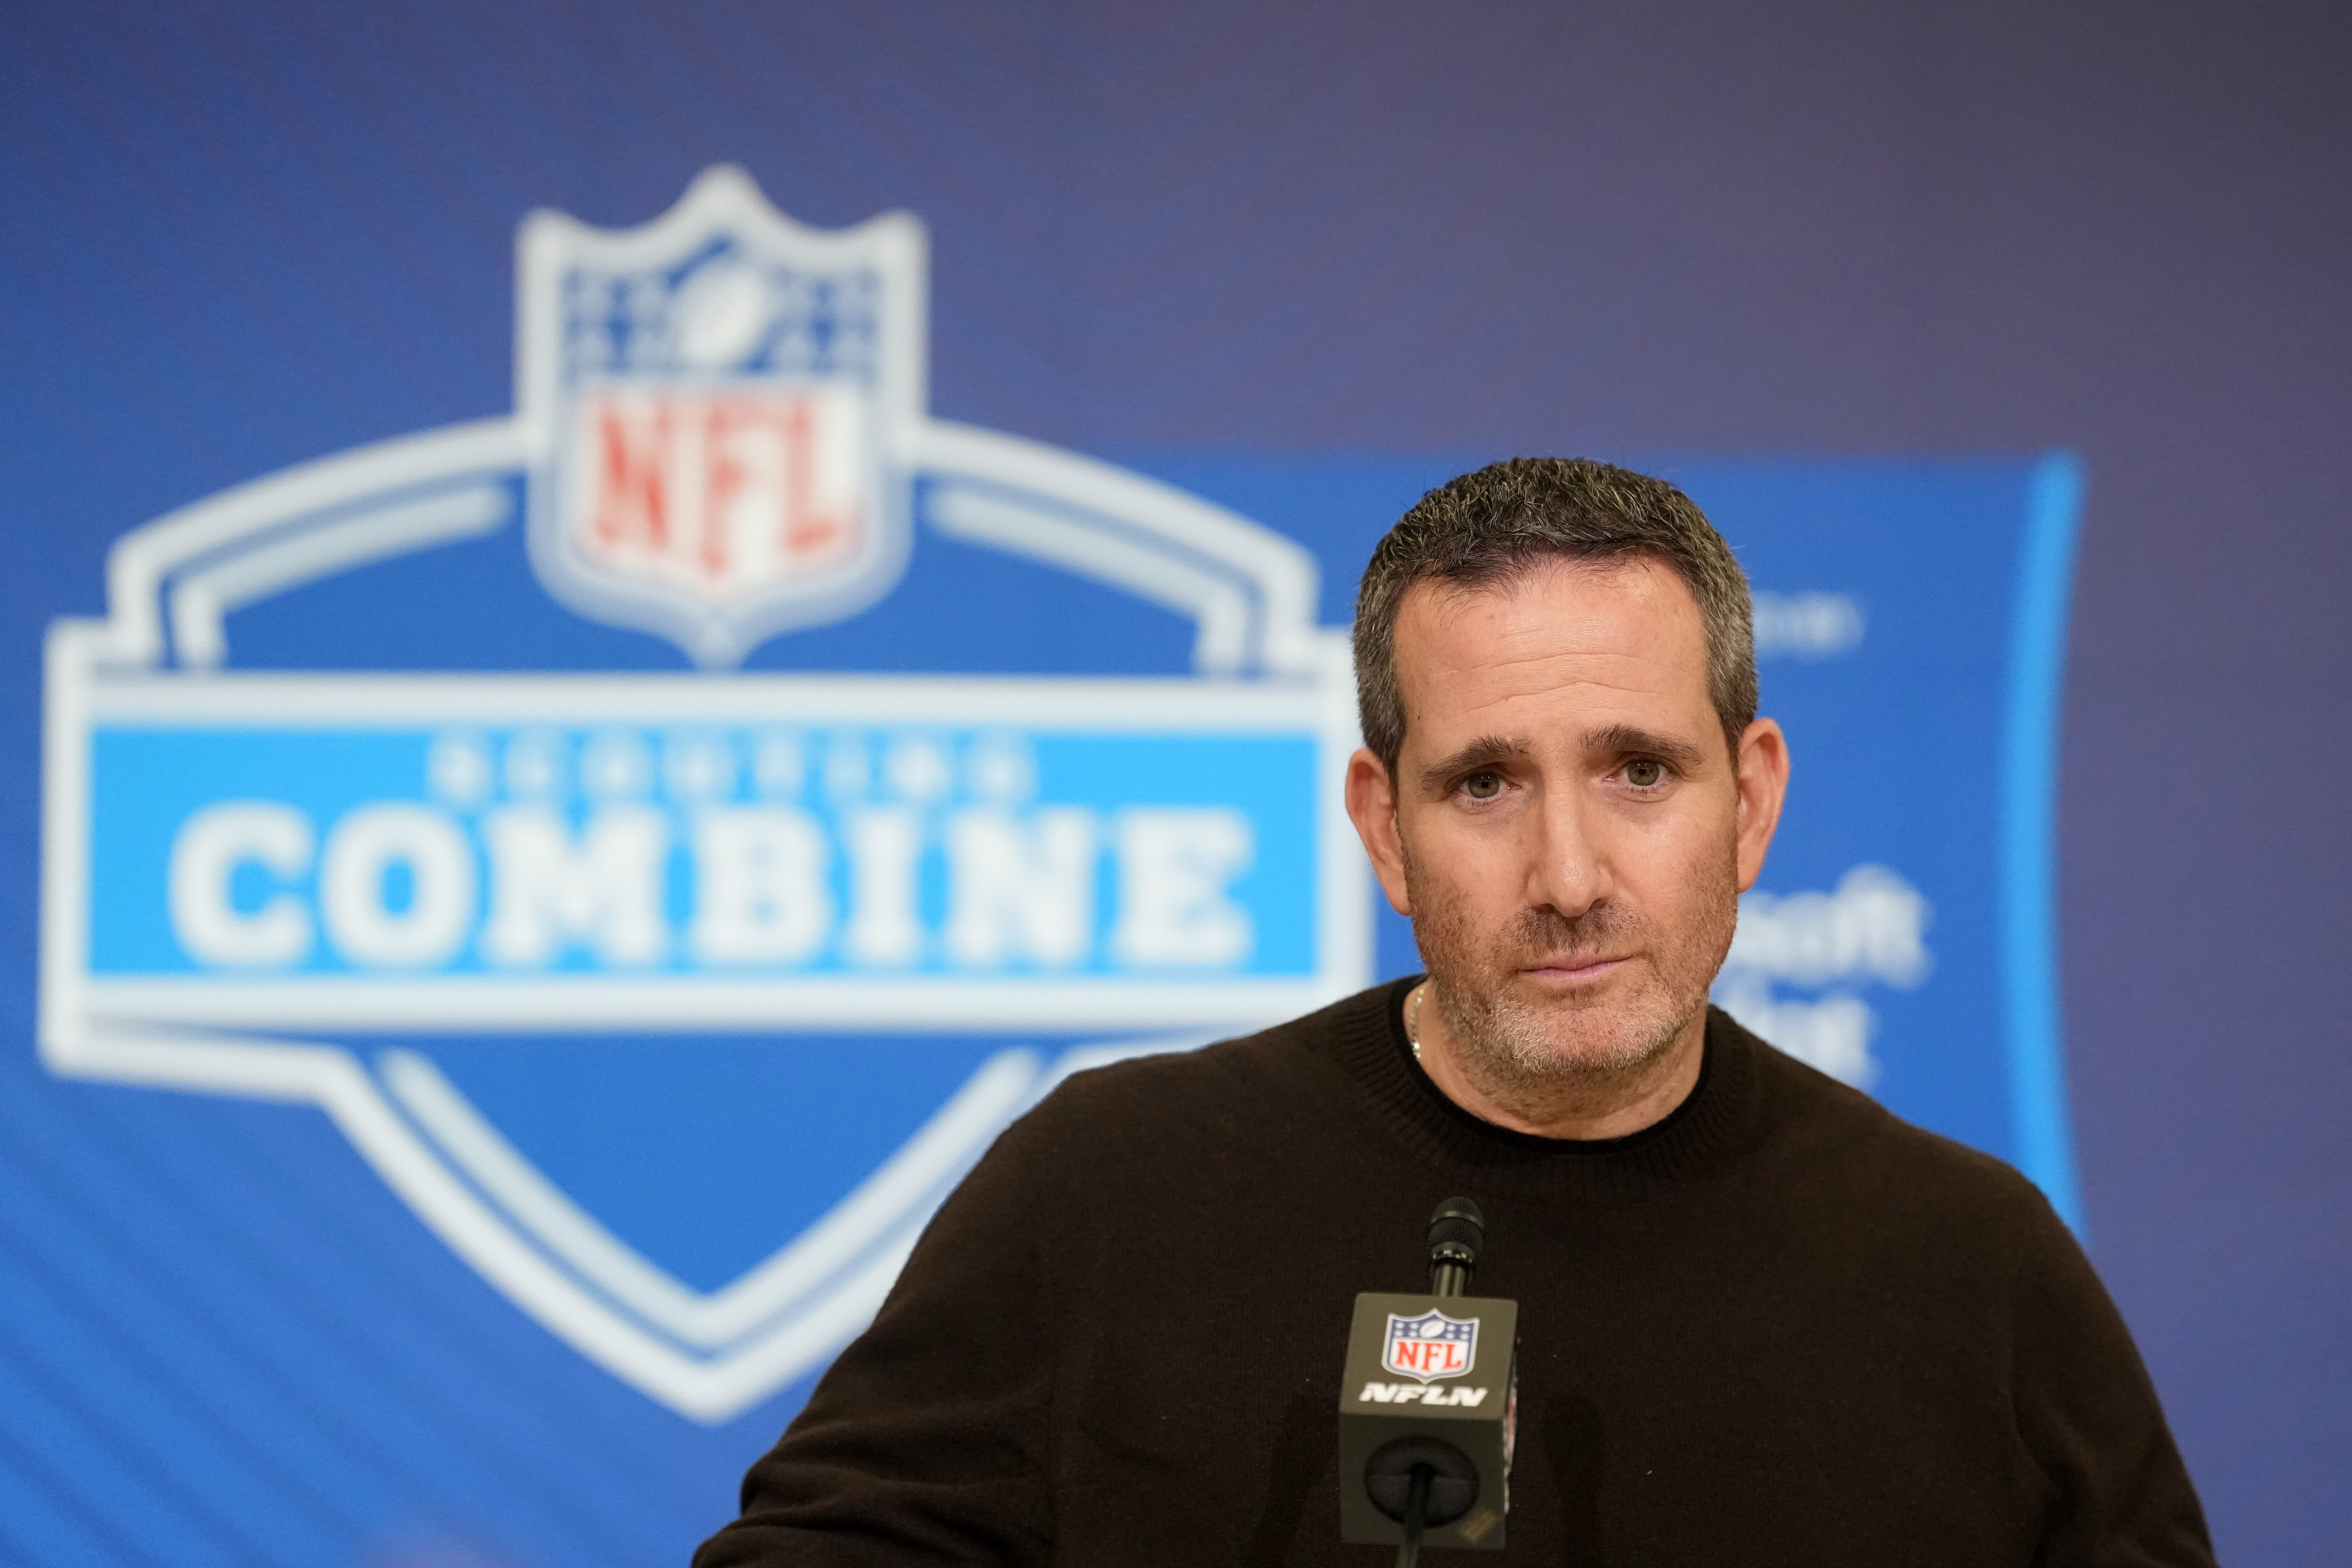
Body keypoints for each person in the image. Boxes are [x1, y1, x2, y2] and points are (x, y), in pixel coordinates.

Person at [694, 458, 2214, 1566]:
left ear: (1750, 802)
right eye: (1484, 784)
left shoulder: (1972, 1267)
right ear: (1382, 827)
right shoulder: (1107, 1189)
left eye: (1639, 772)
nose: (1568, 875)